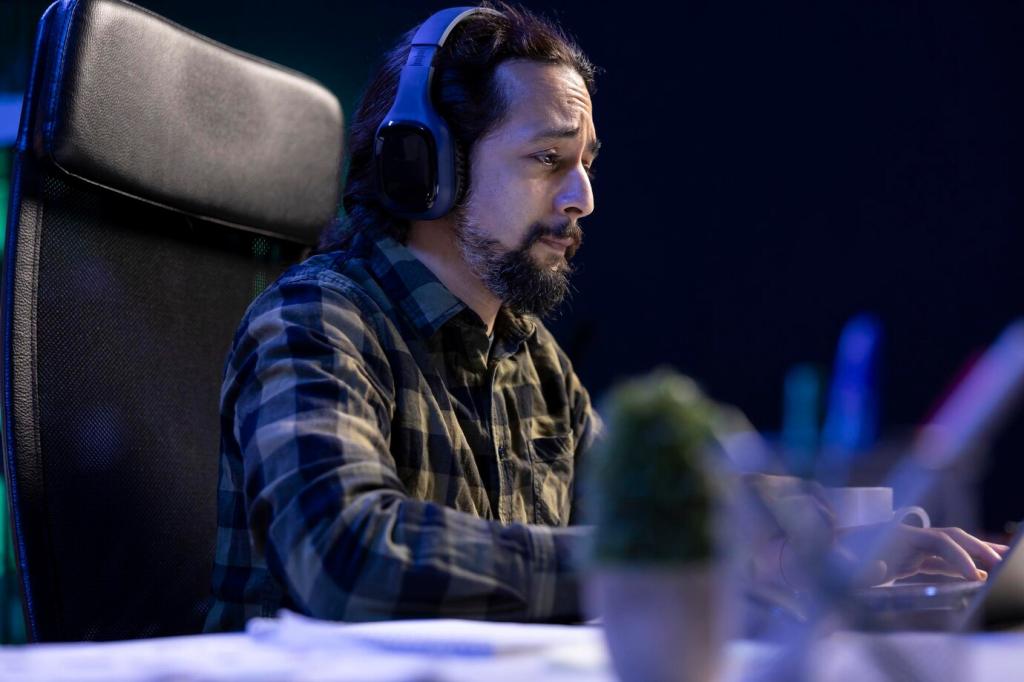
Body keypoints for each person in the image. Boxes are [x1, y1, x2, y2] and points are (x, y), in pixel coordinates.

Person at [205, 2, 1004, 632]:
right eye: (548, 159)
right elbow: (347, 558)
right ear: (425, 166)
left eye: (585, 164)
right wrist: (671, 564)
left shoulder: (531, 358)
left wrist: (841, 543)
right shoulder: (316, 319)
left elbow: (665, 501)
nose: (583, 197)